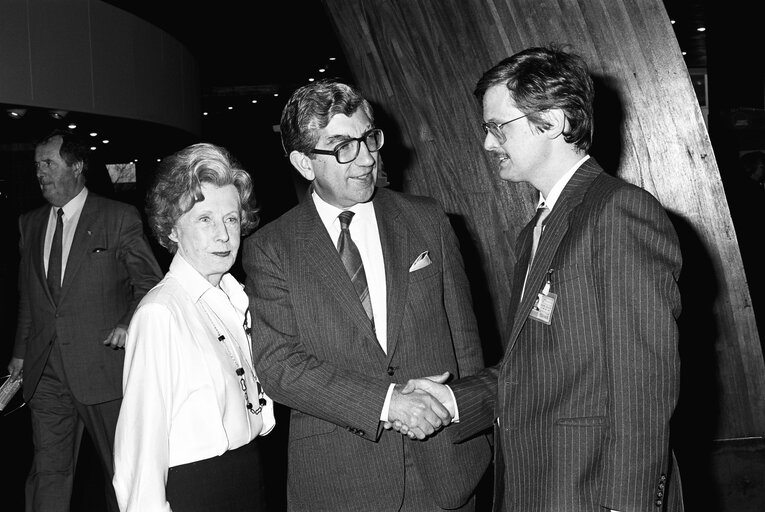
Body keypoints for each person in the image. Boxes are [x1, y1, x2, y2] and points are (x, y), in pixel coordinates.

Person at [400, 45, 685, 511]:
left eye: (497, 127)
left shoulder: (618, 213)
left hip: (594, 494)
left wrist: (628, 505)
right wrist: (453, 401)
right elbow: (536, 370)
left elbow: (644, 387)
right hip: (543, 486)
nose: (488, 144)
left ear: (551, 122)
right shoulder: (539, 227)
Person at [243, 79, 492, 512]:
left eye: (369, 137)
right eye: (342, 146)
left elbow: (465, 339)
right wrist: (387, 403)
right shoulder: (271, 248)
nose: (366, 158)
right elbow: (279, 366)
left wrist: (468, 424)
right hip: (342, 482)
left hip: (445, 470)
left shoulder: (427, 218)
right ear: (304, 163)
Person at [112, 143, 276, 511]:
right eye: (205, 219)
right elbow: (139, 452)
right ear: (172, 228)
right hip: (198, 492)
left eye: (231, 219)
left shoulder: (235, 300)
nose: (223, 235)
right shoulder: (160, 313)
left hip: (249, 477)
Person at [8, 129, 162, 512]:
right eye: (37, 165)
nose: (40, 173)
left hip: (102, 370)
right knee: (49, 472)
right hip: (46, 371)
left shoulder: (117, 217)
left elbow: (151, 285)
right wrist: (20, 355)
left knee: (121, 471)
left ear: (76, 167)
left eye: (49, 163)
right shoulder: (29, 224)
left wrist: (129, 323)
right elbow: (30, 297)